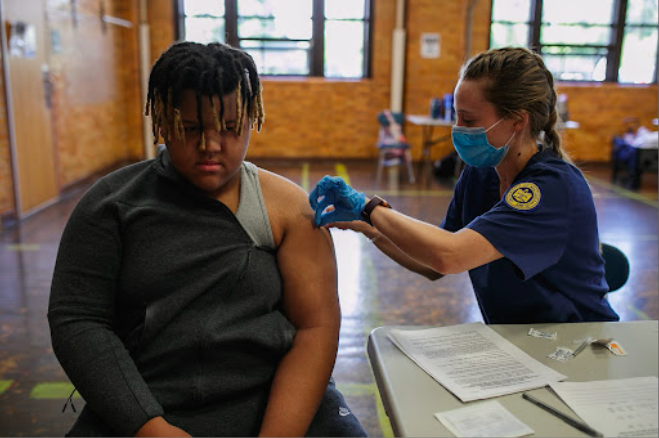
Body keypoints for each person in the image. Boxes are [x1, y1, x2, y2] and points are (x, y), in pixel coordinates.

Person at [48, 41, 366, 437]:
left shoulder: (288, 208)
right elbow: (78, 320)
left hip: (277, 398)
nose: (210, 145)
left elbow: (315, 328)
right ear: (162, 121)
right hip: (147, 399)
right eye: (192, 128)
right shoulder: (111, 205)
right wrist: (150, 427)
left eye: (230, 128)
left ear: (252, 120)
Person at [309, 47, 619, 324]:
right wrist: (369, 226)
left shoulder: (552, 188)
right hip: (522, 344)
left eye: (469, 121)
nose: (458, 129)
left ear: (517, 121)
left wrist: (369, 207)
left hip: (578, 343)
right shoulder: (481, 173)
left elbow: (449, 255)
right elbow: (433, 263)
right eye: (457, 117)